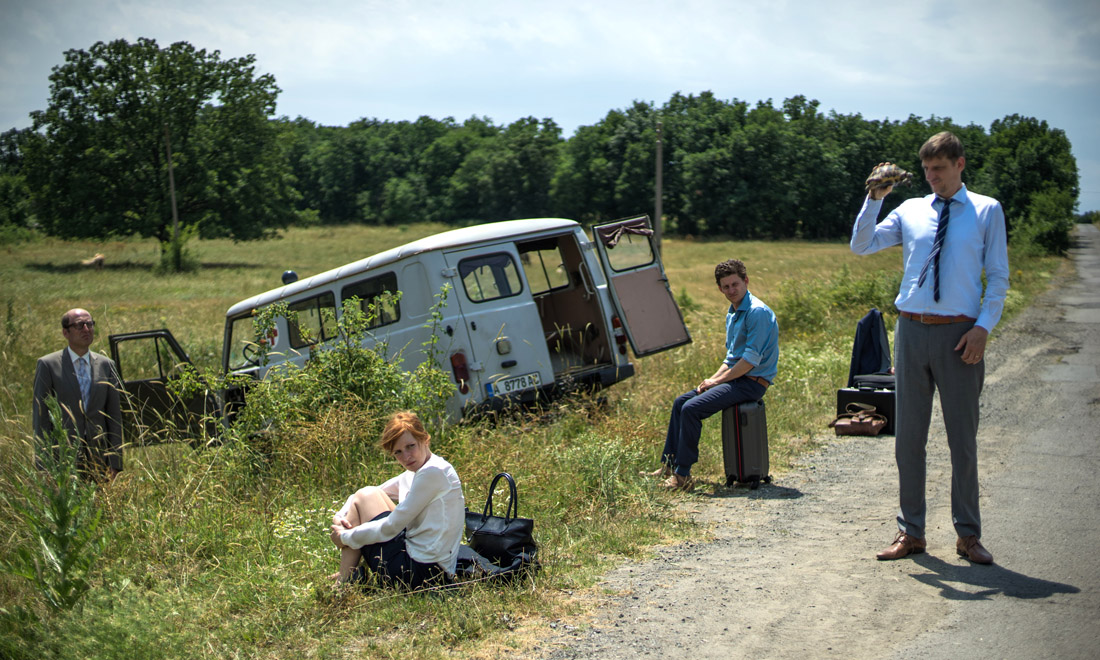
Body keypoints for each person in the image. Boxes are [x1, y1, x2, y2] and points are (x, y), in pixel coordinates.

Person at [850, 131, 1009, 564]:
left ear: (959, 164)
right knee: (908, 441)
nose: (932, 177)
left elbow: (997, 277)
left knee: (963, 440)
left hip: (961, 334)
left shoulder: (986, 210)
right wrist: (874, 198)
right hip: (912, 331)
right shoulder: (911, 210)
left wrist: (983, 328)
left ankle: (968, 536)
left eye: (939, 169)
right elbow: (861, 245)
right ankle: (911, 532)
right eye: (926, 170)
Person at [642, 259, 779, 490]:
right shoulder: (733, 312)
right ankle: (668, 465)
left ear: (746, 281)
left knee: (692, 409)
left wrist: (717, 381)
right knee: (680, 402)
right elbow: (731, 359)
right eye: (725, 287)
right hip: (739, 378)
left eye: (735, 284)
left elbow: (748, 362)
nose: (731, 291)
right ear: (720, 288)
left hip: (752, 382)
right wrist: (710, 381)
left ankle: (682, 476)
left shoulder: (756, 313)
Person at [329, 411, 465, 588]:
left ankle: (344, 582)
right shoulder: (421, 470)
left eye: (411, 446)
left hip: (422, 574)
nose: (406, 457)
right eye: (398, 452)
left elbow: (391, 526)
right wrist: (339, 516)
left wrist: (345, 537)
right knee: (367, 494)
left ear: (425, 439)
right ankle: (348, 575)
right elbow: (367, 494)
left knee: (367, 496)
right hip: (428, 567)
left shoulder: (433, 473)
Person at [32, 308, 124, 481]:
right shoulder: (48, 365)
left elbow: (114, 417)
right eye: (80, 325)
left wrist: (115, 461)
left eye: (90, 324)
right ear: (65, 332)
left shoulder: (106, 365)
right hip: (63, 459)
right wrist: (44, 465)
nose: (86, 329)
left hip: (99, 458)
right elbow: (40, 418)